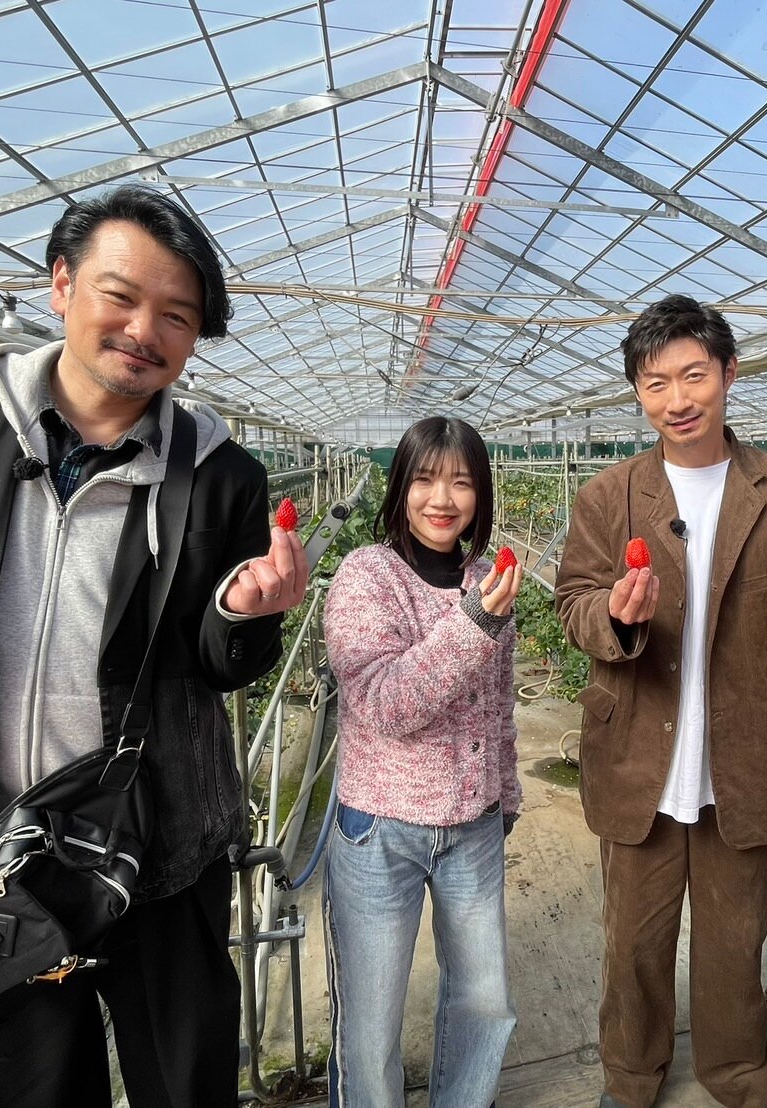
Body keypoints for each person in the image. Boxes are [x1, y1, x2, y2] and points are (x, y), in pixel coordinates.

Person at [0, 184, 307, 1107]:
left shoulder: (219, 474)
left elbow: (220, 664)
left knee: (184, 1081)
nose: (144, 330)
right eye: (121, 295)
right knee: (4, 1089)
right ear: (63, 284)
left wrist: (244, 613)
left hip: (157, 848)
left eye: (177, 315)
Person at [555, 294, 767, 1108]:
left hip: (744, 759)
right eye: (655, 383)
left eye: (693, 375)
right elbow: (574, 602)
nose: (676, 399)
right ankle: (630, 1076)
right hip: (638, 758)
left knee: (734, 940)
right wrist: (614, 615)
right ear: (637, 393)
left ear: (728, 373)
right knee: (632, 943)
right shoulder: (609, 495)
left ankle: (737, 1074)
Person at [321, 416, 522, 1108]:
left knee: (485, 1002)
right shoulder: (366, 575)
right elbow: (385, 704)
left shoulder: (486, 580)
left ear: (481, 494)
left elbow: (497, 704)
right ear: (400, 486)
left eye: (461, 482)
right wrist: (475, 625)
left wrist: (506, 795)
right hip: (381, 829)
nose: (442, 499)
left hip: (474, 828)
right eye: (426, 479)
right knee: (371, 1020)